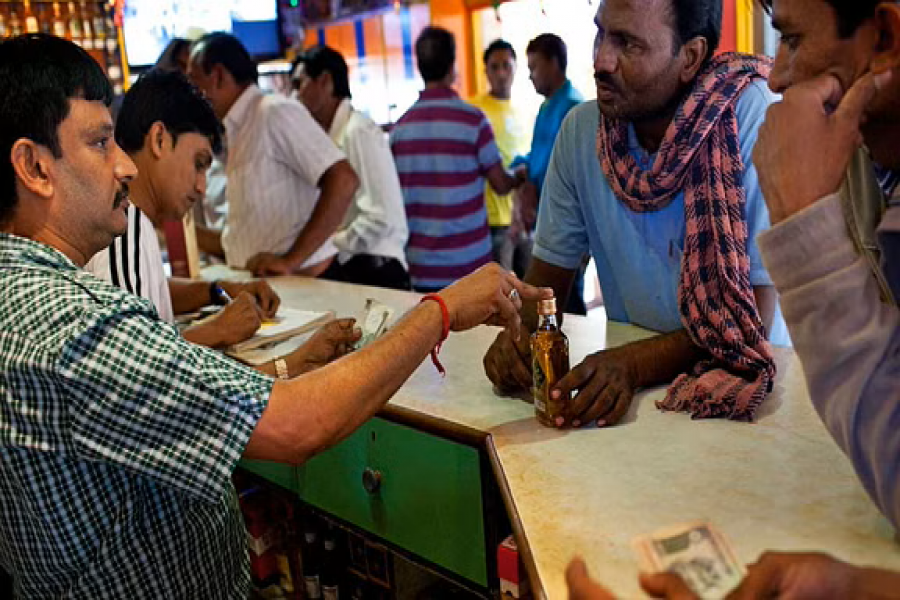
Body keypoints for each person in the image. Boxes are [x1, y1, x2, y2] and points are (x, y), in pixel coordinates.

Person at [0, 33, 551, 597]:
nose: (122, 165)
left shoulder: (24, 294)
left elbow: (170, 397)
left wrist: (289, 359)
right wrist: (440, 309)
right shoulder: (70, 326)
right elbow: (295, 425)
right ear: (34, 167)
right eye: (99, 143)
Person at [484, 0, 790, 432]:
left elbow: (751, 317)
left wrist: (635, 363)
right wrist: (517, 336)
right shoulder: (580, 133)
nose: (601, 60)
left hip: (748, 400)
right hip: (638, 410)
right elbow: (545, 289)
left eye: (627, 42)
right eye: (601, 33)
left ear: (690, 57)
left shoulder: (747, 116)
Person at [84, 69, 358, 375]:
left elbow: (150, 293)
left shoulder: (137, 224)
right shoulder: (123, 227)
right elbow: (137, 370)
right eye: (198, 164)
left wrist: (217, 290)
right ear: (160, 139)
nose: (201, 187)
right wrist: (217, 331)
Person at [186, 32, 360, 277]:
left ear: (218, 76)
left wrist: (290, 261)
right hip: (272, 287)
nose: (193, 95)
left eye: (195, 82)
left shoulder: (274, 111)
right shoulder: (238, 130)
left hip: (309, 285)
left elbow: (343, 180)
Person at [390, 26, 523, 293]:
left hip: (420, 269)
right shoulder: (473, 121)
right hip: (470, 268)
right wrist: (519, 174)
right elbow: (500, 184)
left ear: (420, 67)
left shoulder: (400, 130)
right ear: (453, 66)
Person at [291, 45, 411, 290]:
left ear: (324, 81)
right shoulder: (333, 135)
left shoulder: (358, 131)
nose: (295, 97)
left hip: (378, 270)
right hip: (356, 266)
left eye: (298, 84)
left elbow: (379, 217)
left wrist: (325, 243)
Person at [511, 33, 585, 292]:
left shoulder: (575, 109)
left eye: (534, 67)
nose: (530, 75)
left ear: (554, 63)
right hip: (543, 213)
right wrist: (521, 168)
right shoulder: (546, 107)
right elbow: (537, 155)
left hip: (566, 216)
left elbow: (565, 167)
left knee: (565, 295)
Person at [469, 39, 533, 270]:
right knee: (499, 294)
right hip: (492, 220)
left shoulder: (524, 110)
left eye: (506, 65)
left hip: (524, 219)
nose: (501, 73)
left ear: (516, 67)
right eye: (494, 67)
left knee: (532, 290)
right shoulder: (475, 110)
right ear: (485, 71)